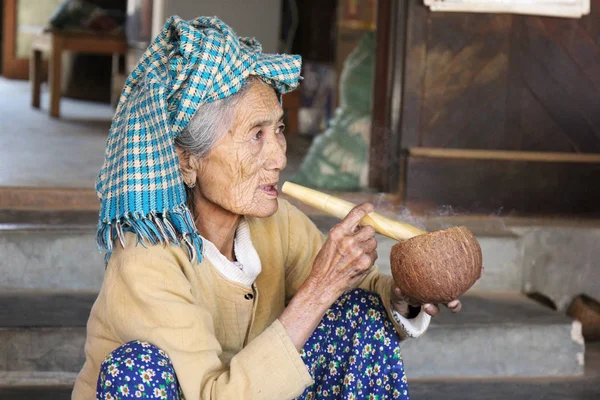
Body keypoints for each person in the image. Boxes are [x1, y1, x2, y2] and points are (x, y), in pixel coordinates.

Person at [72, 16, 464, 400]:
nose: (278, 156)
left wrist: (407, 290)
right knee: (135, 368)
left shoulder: (278, 224)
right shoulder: (146, 257)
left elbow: (364, 298)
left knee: (360, 313)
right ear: (186, 161)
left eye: (278, 129)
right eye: (256, 134)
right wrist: (319, 289)